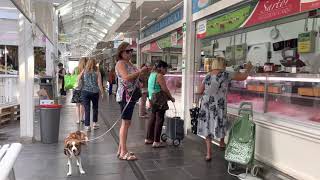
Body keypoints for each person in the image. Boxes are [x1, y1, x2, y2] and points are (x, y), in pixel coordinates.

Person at [197, 57, 253, 161]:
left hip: (206, 105)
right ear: (223, 65)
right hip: (219, 105)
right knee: (221, 122)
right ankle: (222, 142)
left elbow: (200, 91)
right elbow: (243, 77)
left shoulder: (208, 75)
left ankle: (209, 154)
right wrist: (248, 68)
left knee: (207, 126)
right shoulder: (226, 74)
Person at [115, 42, 149, 161]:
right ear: (121, 52)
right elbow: (126, 77)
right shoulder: (120, 63)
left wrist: (141, 73)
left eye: (131, 51)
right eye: (127, 51)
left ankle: (121, 149)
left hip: (131, 96)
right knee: (125, 123)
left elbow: (136, 77)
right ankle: (123, 151)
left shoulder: (129, 63)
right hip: (125, 96)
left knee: (126, 123)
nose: (130, 53)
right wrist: (140, 71)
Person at [145, 60, 175, 148]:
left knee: (153, 118)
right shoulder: (159, 75)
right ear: (161, 68)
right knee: (160, 119)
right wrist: (171, 97)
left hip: (152, 98)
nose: (166, 71)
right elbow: (165, 89)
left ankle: (148, 138)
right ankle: (156, 141)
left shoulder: (151, 74)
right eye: (165, 69)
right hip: (159, 99)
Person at [79, 58, 104, 132]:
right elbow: (99, 84)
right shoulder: (97, 72)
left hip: (85, 92)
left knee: (87, 108)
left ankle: (87, 126)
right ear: (95, 63)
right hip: (95, 92)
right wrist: (102, 92)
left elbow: (78, 79)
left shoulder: (84, 71)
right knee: (95, 107)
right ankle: (95, 123)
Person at [71, 57, 87, 124]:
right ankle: (81, 118)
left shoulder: (75, 68)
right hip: (83, 89)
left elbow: (72, 77)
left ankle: (78, 119)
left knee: (77, 105)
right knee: (82, 104)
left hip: (76, 88)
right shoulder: (85, 69)